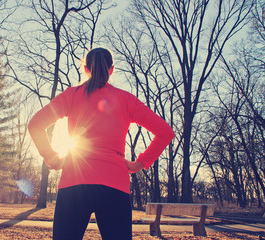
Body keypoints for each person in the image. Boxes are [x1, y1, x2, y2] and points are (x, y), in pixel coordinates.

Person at [28, 47, 175, 240]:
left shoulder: (72, 95)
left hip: (74, 181)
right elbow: (165, 132)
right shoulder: (126, 99)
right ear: (111, 70)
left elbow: (35, 124)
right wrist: (139, 163)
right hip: (114, 185)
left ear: (86, 69)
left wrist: (52, 157)